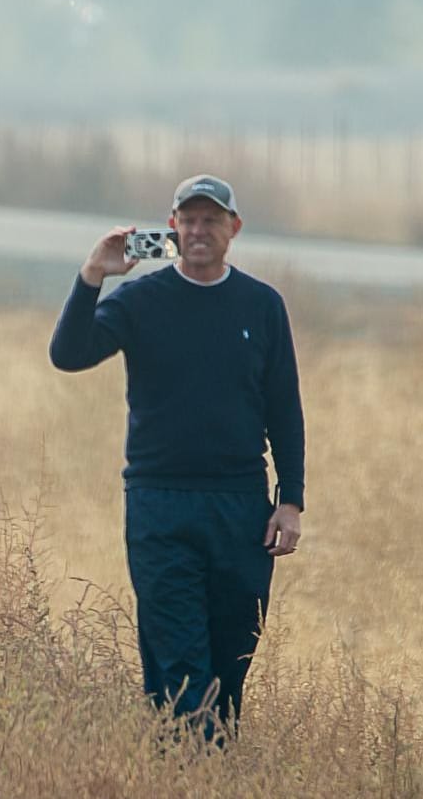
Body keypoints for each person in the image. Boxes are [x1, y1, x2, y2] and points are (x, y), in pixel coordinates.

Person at [48, 174, 305, 741]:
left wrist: (290, 501)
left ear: (233, 229)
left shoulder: (262, 306)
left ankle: (206, 787)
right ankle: (189, 780)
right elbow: (68, 354)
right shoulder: (140, 300)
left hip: (241, 509)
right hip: (160, 504)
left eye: (210, 219)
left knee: (229, 669)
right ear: (171, 227)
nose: (198, 230)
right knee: (180, 669)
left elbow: (284, 407)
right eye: (187, 219)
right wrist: (93, 275)